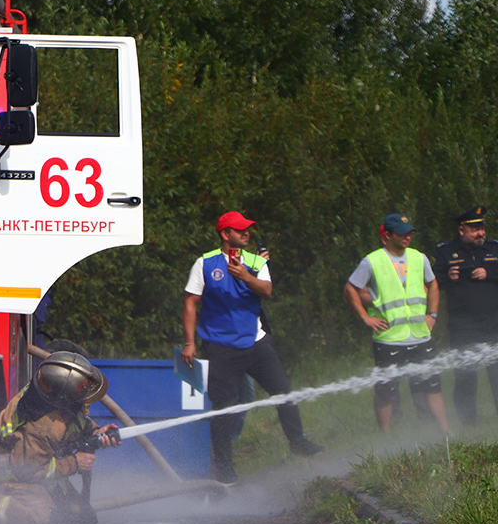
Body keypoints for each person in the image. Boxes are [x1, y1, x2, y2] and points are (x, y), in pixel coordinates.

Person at [181, 211, 322, 486]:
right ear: (225, 234)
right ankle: (224, 470)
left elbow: (267, 291)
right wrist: (189, 343)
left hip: (256, 342)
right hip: (221, 346)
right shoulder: (205, 263)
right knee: (223, 406)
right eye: (240, 230)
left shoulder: (257, 261)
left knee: (283, 390)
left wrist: (245, 276)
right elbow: (190, 302)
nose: (246, 233)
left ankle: (298, 442)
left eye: (248, 229)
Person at [0, 352, 120, 524]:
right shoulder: (42, 425)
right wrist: (74, 463)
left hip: (39, 464)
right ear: (64, 397)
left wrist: (97, 432)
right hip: (11, 472)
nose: (83, 391)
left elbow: (76, 423)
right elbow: (27, 470)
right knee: (41, 521)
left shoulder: (55, 399)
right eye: (79, 389)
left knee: (82, 518)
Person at [344, 213, 451, 434]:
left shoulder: (419, 258)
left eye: (410, 233)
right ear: (388, 236)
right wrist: (366, 317)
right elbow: (350, 289)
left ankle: (446, 432)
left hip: (421, 335)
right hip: (389, 338)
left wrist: (432, 314)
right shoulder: (372, 261)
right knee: (386, 389)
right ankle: (386, 435)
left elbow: (433, 285)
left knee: (432, 385)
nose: (407, 237)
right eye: (402, 234)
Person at [432, 205, 498, 426]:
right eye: (475, 229)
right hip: (463, 324)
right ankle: (468, 423)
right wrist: (448, 276)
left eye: (482, 228)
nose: (481, 233)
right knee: (465, 375)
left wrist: (490, 273)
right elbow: (432, 282)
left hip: (494, 322)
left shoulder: (494, 248)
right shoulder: (444, 251)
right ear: (462, 230)